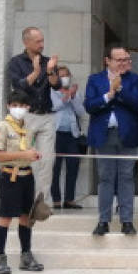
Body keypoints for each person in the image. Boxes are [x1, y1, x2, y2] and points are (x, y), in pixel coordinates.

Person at [85, 45, 138, 236]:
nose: (124, 63)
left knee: (127, 176)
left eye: (127, 59)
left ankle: (127, 220)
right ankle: (103, 220)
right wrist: (108, 95)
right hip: (104, 135)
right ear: (108, 61)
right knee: (105, 177)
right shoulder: (95, 79)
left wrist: (119, 90)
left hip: (127, 134)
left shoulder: (134, 79)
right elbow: (89, 106)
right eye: (120, 60)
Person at [0, 90, 45, 274]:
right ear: (8, 106)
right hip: (9, 175)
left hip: (26, 175)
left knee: (25, 217)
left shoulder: (27, 128)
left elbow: (27, 150)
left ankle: (26, 255)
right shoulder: (3, 127)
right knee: (5, 217)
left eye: (22, 106)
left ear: (28, 107)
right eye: (15, 105)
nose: (19, 109)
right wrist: (23, 154)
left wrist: (33, 155)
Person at [6, 27, 60, 206]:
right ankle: (24, 200)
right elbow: (19, 86)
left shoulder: (47, 62)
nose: (42, 45)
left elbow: (57, 86)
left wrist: (51, 71)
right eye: (38, 42)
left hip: (46, 114)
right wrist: (36, 72)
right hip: (26, 116)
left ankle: (43, 201)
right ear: (26, 42)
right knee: (26, 159)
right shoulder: (16, 62)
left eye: (42, 41)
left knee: (47, 159)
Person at [50, 65, 85, 210]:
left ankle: (69, 199)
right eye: (61, 75)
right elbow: (53, 107)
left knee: (73, 166)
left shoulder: (76, 92)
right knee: (55, 167)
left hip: (72, 134)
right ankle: (56, 200)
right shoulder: (50, 91)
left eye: (66, 75)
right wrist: (66, 97)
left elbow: (81, 111)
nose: (64, 78)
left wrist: (73, 97)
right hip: (56, 133)